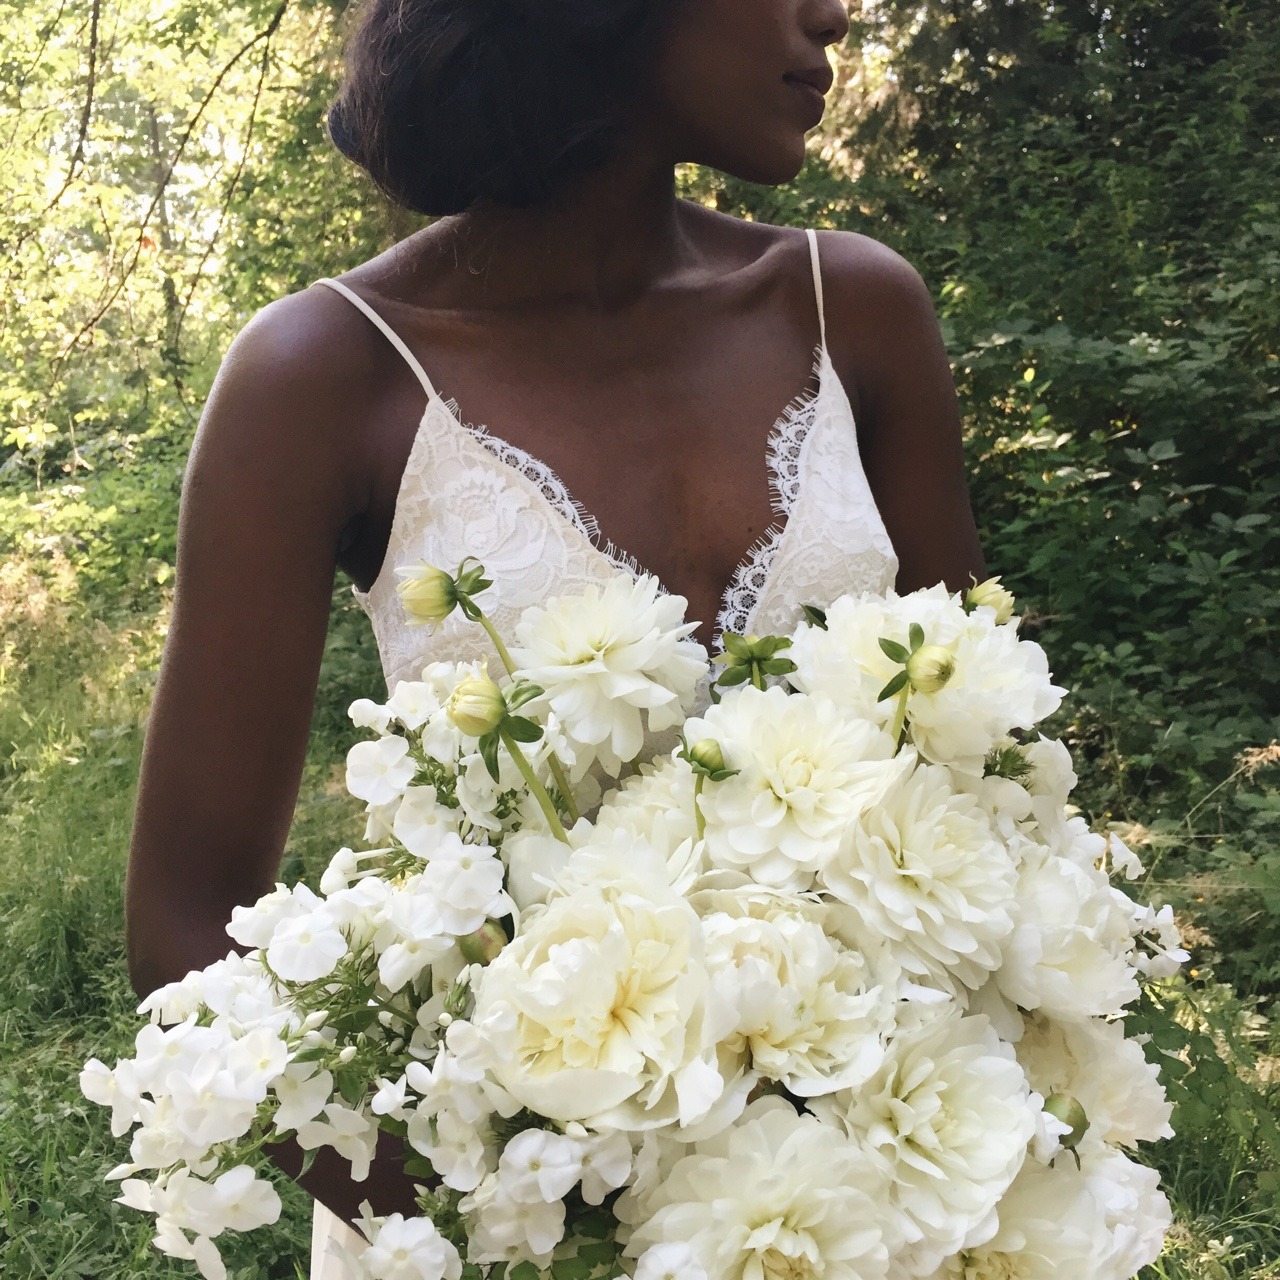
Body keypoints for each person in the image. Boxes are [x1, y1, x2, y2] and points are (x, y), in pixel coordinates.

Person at [124, 0, 986, 1272]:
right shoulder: (323, 375)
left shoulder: (852, 309)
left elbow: (976, 775)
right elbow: (187, 920)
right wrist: (498, 1220)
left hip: (857, 1221)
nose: (833, 14)